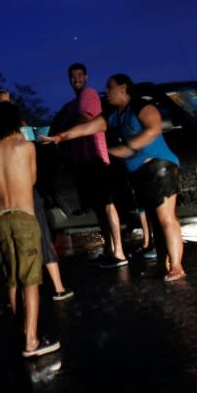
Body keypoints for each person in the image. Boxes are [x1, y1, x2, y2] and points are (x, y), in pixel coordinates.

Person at [40, 73, 186, 282]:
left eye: (110, 87)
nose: (106, 92)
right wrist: (61, 136)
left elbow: (154, 128)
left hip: (160, 167)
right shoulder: (114, 114)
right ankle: (164, 265)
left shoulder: (140, 106)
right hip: (139, 174)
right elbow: (87, 127)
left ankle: (177, 266)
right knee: (155, 220)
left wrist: (128, 147)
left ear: (124, 87)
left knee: (166, 218)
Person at [0, 93, 74, 302]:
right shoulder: (20, 144)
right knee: (31, 270)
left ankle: (22, 319)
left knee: (13, 272)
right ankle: (32, 331)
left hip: (2, 212)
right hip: (24, 205)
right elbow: (32, 178)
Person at [0, 101, 61, 358]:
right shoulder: (25, 148)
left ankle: (21, 330)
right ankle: (32, 340)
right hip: (25, 218)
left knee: (13, 278)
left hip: (1, 219)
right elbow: (33, 179)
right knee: (31, 281)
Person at [53, 62, 127, 268]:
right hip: (85, 161)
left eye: (79, 75)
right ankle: (110, 249)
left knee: (107, 205)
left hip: (96, 158)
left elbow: (83, 118)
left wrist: (66, 130)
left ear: (86, 77)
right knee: (100, 207)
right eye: (72, 76)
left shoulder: (88, 94)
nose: (76, 79)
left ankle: (119, 252)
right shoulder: (72, 103)